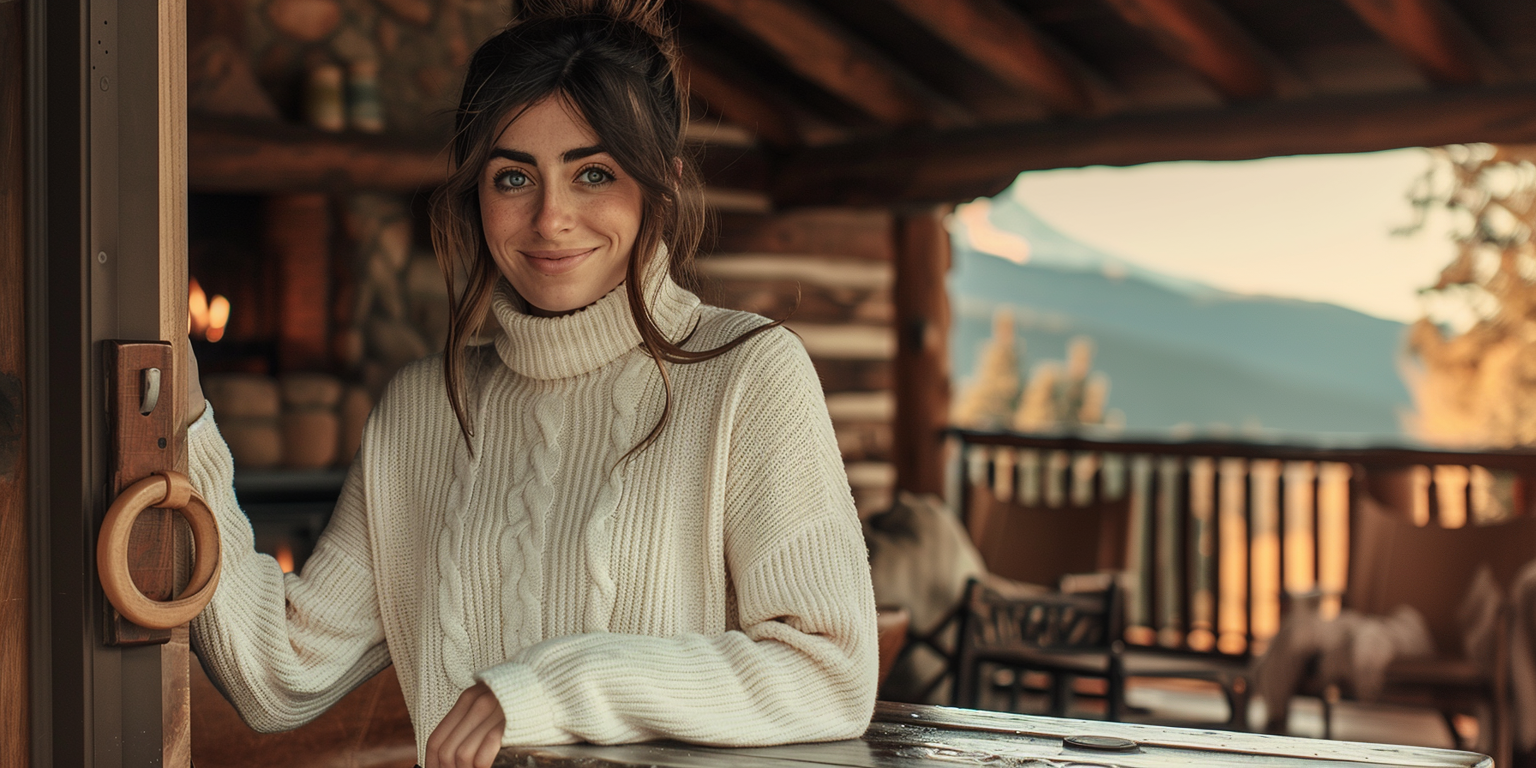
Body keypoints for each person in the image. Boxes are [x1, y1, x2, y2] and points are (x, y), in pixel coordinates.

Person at [182, 3, 878, 767]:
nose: (551, 219)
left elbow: (829, 673)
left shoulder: (747, 375)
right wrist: (177, 418)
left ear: (663, 185)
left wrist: (550, 687)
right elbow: (279, 678)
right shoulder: (423, 409)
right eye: (514, 176)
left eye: (593, 174)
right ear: (476, 195)